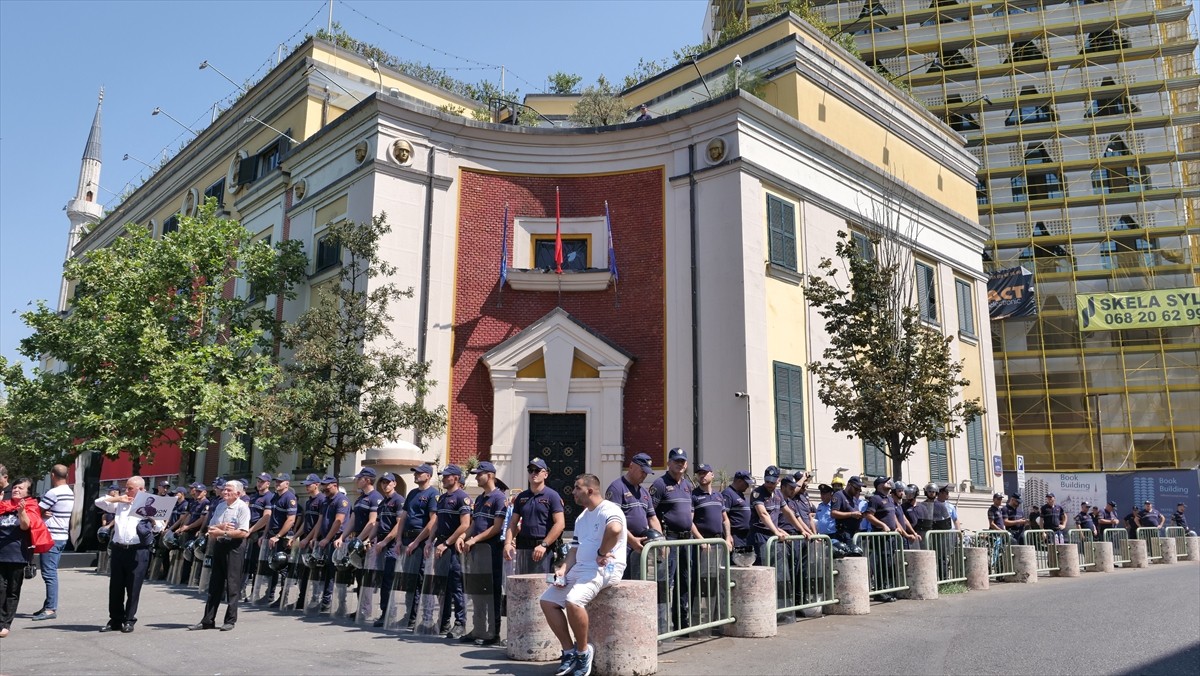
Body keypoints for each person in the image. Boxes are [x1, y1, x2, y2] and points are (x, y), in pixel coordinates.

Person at [540, 473, 627, 676]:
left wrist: (602, 553)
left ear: (590, 490)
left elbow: (614, 530)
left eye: (577, 487)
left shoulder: (609, 509)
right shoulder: (581, 517)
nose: (573, 491)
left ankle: (583, 652)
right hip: (581, 566)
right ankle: (569, 651)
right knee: (547, 601)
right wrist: (563, 569)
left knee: (573, 601)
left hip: (605, 568)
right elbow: (575, 549)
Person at [94, 475, 160, 633]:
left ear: (142, 490)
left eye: (130, 488)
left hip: (138, 550)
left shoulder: (151, 505)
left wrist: (152, 519)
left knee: (133, 586)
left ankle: (129, 619)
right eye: (126, 487)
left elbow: (159, 528)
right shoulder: (122, 503)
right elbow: (98, 502)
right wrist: (118, 499)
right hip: (118, 548)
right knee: (116, 586)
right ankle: (115, 619)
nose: (127, 491)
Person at [189, 480, 251, 631]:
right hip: (219, 545)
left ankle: (230, 620)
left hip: (234, 546)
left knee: (232, 584)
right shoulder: (221, 506)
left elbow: (243, 532)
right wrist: (221, 527)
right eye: (224, 490)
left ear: (238, 493)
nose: (225, 492)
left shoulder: (242, 508)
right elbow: (211, 526)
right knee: (214, 584)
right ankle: (208, 620)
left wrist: (222, 531)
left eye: (229, 490)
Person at [459, 461, 506, 646]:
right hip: (477, 551)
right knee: (477, 592)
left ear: (491, 475)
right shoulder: (479, 499)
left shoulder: (499, 498)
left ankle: (493, 633)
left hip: (491, 550)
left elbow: (496, 527)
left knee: (491, 592)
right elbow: (473, 525)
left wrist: (474, 539)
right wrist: (464, 536)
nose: (477, 477)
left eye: (480, 474)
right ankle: (478, 628)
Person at [649, 447, 695, 633]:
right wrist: (660, 540)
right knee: (666, 582)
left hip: (686, 540)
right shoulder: (660, 484)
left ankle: (681, 623)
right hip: (669, 540)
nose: (680, 464)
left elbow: (690, 512)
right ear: (668, 463)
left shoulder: (687, 485)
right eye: (676, 461)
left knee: (685, 581)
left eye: (683, 461)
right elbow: (649, 512)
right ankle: (661, 626)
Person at [422, 464, 471, 639]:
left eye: (447, 476)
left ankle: (460, 623)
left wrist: (447, 543)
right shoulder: (442, 498)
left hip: (452, 547)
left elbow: (465, 524)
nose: (443, 478)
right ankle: (443, 622)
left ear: (456, 478)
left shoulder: (462, 498)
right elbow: (436, 522)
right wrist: (430, 541)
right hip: (440, 544)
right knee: (441, 586)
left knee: (456, 586)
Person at [505, 457, 567, 576]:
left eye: (537, 470)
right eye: (530, 470)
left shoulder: (552, 496)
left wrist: (544, 545)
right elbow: (513, 523)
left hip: (543, 548)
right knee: (523, 582)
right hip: (523, 547)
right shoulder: (521, 497)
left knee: (543, 585)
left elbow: (560, 524)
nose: (533, 473)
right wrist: (508, 543)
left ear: (545, 474)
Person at [396, 464, 440, 630]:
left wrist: (417, 542)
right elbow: (403, 517)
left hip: (420, 541)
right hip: (407, 540)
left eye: (419, 473)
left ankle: (426, 618)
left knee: (422, 580)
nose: (415, 475)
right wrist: (399, 539)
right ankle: (410, 616)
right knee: (409, 580)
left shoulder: (433, 494)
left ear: (428, 476)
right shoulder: (412, 493)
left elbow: (432, 522)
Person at [604, 453, 661, 580]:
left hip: (640, 546)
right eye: (642, 471)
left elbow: (652, 518)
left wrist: (660, 541)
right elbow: (613, 522)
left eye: (646, 473)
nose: (644, 475)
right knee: (623, 581)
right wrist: (632, 540)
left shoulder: (644, 492)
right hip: (622, 545)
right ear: (631, 467)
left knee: (639, 580)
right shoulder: (617, 488)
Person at [33, 464, 74, 622]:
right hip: (62, 535)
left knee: (49, 573)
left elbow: (36, 511)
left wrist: (43, 513)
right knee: (52, 571)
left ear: (52, 475)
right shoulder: (69, 492)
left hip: (51, 536)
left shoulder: (53, 492)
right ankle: (48, 605)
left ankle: (50, 608)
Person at [0, 477, 35, 639]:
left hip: (17, 555)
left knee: (12, 591)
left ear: (27, 492)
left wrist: (21, 512)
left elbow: (25, 526)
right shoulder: (4, 504)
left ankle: (5, 623)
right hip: (1, 553)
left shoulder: (30, 506)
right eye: (15, 487)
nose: (16, 490)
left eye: (20, 488)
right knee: (0, 589)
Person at [369, 472, 404, 626]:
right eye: (383, 482)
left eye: (388, 482)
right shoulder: (382, 503)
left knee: (389, 579)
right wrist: (370, 538)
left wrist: (385, 541)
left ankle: (389, 612)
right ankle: (385, 611)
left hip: (390, 544)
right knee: (382, 578)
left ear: (394, 483)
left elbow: (398, 525)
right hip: (380, 543)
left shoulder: (399, 501)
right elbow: (377, 523)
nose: (385, 485)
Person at [258, 474, 297, 606]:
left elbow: (291, 519)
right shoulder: (275, 497)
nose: (278, 484)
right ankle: (269, 594)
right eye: (277, 481)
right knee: (271, 566)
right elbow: (271, 518)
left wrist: (278, 536)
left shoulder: (289, 498)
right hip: (272, 536)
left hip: (283, 537)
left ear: (287, 483)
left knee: (282, 568)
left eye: (281, 482)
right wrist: (265, 534)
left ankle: (283, 598)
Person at [314, 475, 350, 612]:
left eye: (327, 486)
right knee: (324, 571)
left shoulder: (342, 500)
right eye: (323, 485)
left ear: (334, 485)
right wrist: (315, 538)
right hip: (324, 540)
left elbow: (338, 521)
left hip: (336, 541)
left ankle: (338, 603)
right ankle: (324, 599)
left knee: (335, 572)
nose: (324, 488)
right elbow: (320, 520)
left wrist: (327, 539)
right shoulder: (325, 501)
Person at [863, 477, 900, 602]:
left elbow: (892, 516)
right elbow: (868, 515)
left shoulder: (889, 498)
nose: (889, 483)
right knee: (881, 563)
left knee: (889, 563)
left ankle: (887, 589)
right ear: (879, 485)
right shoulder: (875, 498)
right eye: (886, 481)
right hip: (880, 536)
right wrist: (882, 525)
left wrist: (897, 527)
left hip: (891, 536)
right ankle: (880, 591)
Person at [293, 474, 326, 610]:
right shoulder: (308, 501)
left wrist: (309, 538)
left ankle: (315, 598)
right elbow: (307, 522)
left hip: (315, 540)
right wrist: (296, 536)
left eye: (309, 484)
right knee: (303, 572)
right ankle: (302, 599)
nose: (307, 486)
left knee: (315, 572)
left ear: (316, 485)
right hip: (306, 540)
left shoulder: (322, 500)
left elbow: (319, 523)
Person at [749, 466, 788, 565]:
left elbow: (788, 512)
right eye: (767, 481)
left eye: (772, 482)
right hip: (760, 536)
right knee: (763, 566)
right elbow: (763, 514)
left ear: (778, 480)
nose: (769, 485)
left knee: (776, 568)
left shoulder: (778, 494)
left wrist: (804, 530)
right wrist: (776, 531)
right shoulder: (757, 493)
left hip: (772, 535)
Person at [721, 471, 753, 552]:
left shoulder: (740, 494)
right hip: (735, 536)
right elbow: (723, 517)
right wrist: (728, 536)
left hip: (745, 536)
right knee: (736, 562)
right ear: (739, 481)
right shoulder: (727, 494)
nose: (748, 486)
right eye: (746, 483)